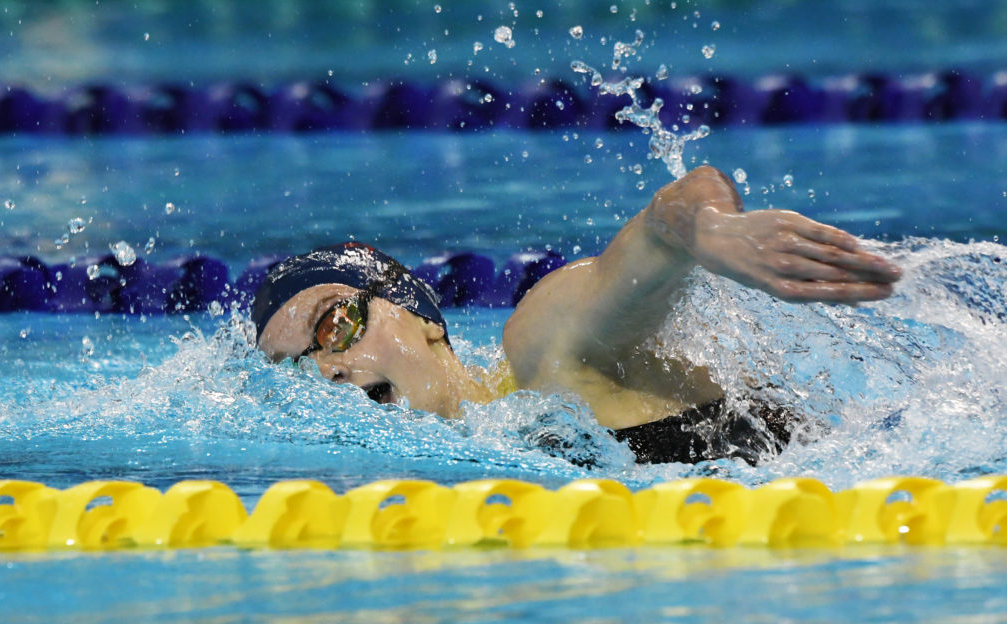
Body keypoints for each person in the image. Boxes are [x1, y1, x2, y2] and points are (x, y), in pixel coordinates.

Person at [252, 166, 902, 465]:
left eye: (332, 325)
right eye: (297, 370)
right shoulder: (480, 460)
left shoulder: (541, 348)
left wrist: (709, 232)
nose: (328, 370)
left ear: (423, 318)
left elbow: (664, 218)